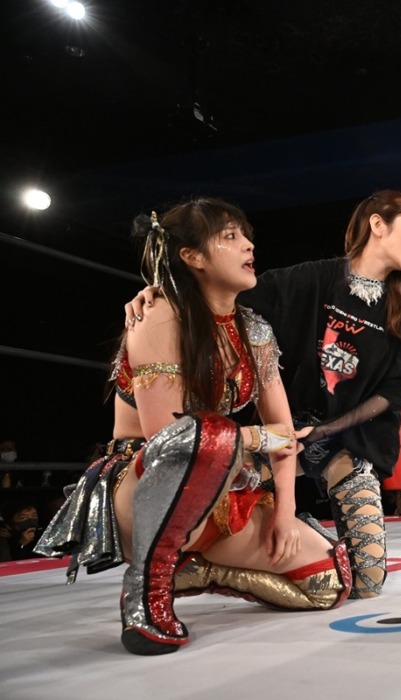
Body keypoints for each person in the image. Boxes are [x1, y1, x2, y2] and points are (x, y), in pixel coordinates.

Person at [37, 199, 351, 655]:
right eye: (230, 236)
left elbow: (285, 431)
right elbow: (169, 440)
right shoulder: (159, 315)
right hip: (142, 491)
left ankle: (196, 572)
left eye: (246, 235)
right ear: (193, 256)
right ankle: (146, 589)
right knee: (209, 436)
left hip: (219, 490)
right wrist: (259, 438)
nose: (249, 244)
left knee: (328, 582)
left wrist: (285, 513)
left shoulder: (254, 330)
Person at [126, 190, 401, 599]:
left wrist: (326, 430)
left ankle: (308, 537)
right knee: (219, 471)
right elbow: (220, 294)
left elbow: (394, 394)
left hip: (348, 441)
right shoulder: (309, 279)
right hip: (278, 437)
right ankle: (203, 559)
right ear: (378, 224)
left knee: (367, 582)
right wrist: (162, 292)